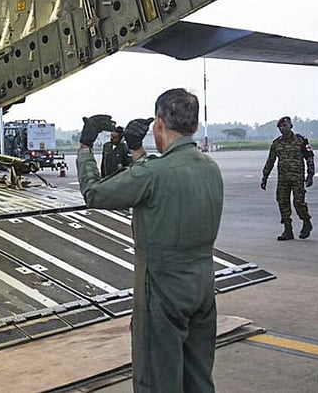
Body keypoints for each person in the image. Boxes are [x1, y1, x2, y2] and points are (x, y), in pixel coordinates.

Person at [77, 88, 223, 393]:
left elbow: (94, 193)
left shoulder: (154, 174)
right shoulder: (210, 168)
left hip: (162, 291)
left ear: (159, 124)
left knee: (157, 382)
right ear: (193, 126)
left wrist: (85, 145)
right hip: (202, 288)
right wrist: (138, 152)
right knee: (198, 380)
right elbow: (162, 183)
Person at [261, 116, 315, 240]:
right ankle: (287, 230)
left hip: (297, 178)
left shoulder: (301, 141)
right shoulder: (277, 143)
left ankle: (306, 222)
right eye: (280, 126)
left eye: (284, 126)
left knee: (298, 202)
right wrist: (265, 177)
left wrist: (310, 174)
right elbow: (270, 161)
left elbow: (309, 157)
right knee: (282, 202)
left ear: (291, 126)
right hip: (283, 179)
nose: (282, 128)